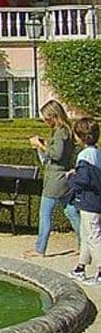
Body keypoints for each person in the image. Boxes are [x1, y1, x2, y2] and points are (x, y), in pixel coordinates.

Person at [26, 99, 81, 257]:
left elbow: (57, 155)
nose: (45, 121)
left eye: (46, 117)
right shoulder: (65, 131)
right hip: (62, 178)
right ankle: (84, 244)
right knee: (71, 212)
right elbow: (59, 151)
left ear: (53, 115)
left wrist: (39, 145)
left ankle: (40, 249)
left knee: (45, 215)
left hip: (55, 180)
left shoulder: (61, 131)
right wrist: (46, 144)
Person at [67, 118, 101, 284]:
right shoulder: (96, 153)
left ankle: (100, 271)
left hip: (90, 202)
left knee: (93, 236)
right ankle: (80, 267)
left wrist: (71, 178)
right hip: (94, 201)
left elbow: (84, 180)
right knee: (87, 235)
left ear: (79, 137)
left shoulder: (84, 156)